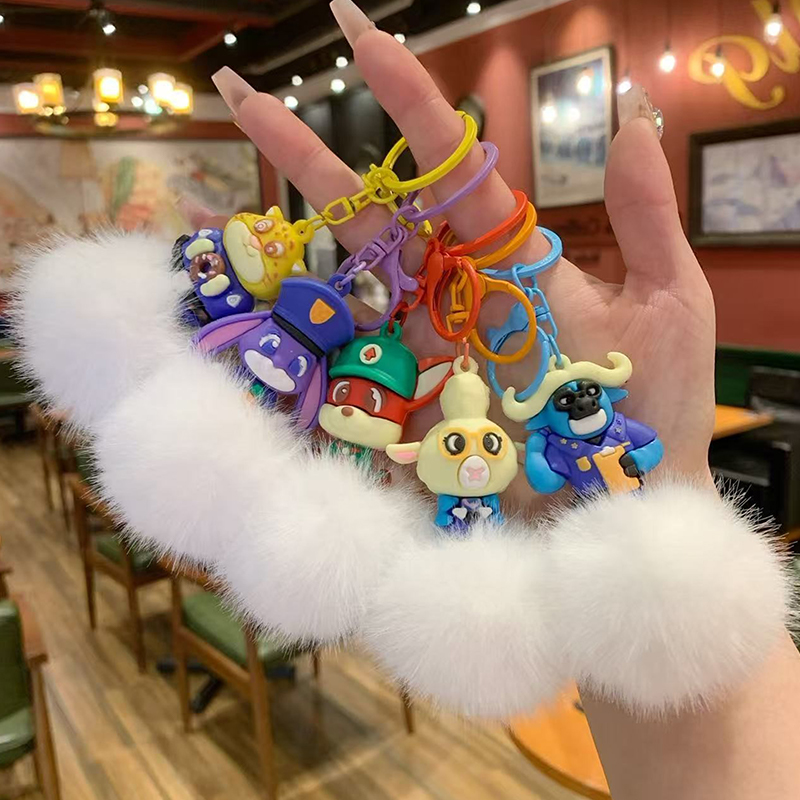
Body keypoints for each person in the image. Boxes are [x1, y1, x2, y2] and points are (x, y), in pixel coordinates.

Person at [201, 1, 800, 797]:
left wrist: (660, 478)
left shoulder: (569, 431)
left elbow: (616, 452)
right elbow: (546, 465)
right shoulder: (513, 442)